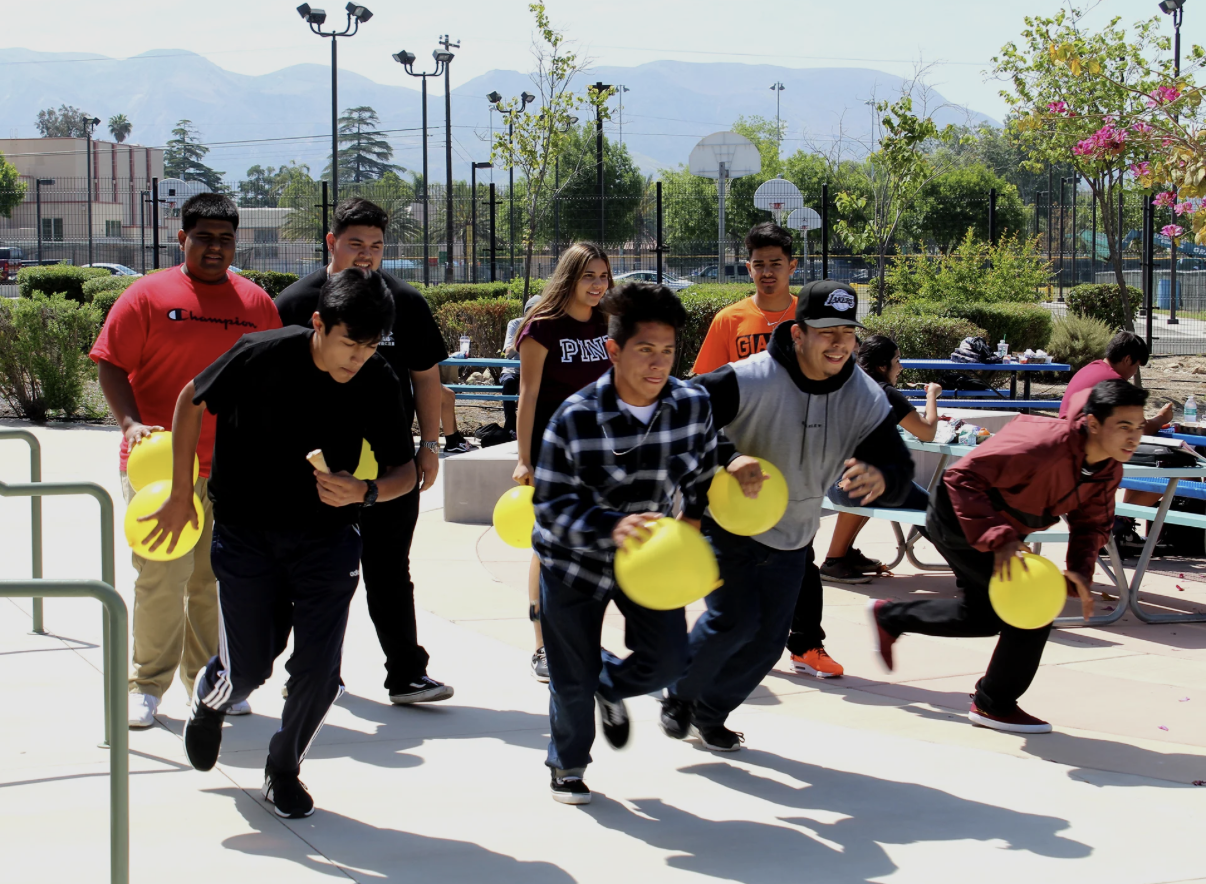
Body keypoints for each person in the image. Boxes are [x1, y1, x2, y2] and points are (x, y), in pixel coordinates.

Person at [154, 268, 416, 818]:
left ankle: (284, 765)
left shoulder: (378, 380)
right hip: (246, 535)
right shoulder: (260, 354)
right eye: (349, 343)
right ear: (319, 323)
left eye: (369, 347)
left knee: (322, 673)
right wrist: (182, 494)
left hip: (327, 540)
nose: (358, 358)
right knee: (249, 669)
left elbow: (405, 472)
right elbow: (189, 400)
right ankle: (212, 697)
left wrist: (364, 491)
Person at [661, 281, 916, 750]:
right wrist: (728, 457)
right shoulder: (751, 378)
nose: (838, 342)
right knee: (733, 621)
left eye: (846, 332)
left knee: (766, 642)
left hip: (795, 534)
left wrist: (885, 476)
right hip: (731, 523)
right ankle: (681, 694)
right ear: (798, 334)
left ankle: (709, 711)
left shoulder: (864, 396)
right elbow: (680, 413)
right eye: (825, 331)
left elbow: (897, 461)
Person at [534, 281, 757, 804]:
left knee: (667, 661)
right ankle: (567, 764)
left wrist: (723, 481)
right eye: (644, 350)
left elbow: (702, 471)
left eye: (667, 351)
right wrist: (608, 525)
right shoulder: (574, 417)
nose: (658, 364)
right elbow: (550, 506)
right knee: (571, 677)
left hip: (652, 562)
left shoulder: (691, 404)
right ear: (613, 351)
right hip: (574, 563)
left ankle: (609, 686)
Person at [90, 192, 280, 729]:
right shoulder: (147, 296)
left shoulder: (256, 304)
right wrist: (128, 424)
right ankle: (145, 685)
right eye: (203, 237)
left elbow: (270, 383)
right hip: (160, 468)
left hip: (231, 470)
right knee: (161, 577)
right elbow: (110, 365)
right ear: (183, 239)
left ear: (236, 242)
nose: (215, 247)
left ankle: (207, 681)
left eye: (225, 238)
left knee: (213, 580)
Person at [870, 378, 1147, 734]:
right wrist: (999, 538)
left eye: (1139, 427)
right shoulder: (1043, 443)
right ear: (1094, 423)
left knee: (983, 616)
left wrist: (1079, 570)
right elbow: (960, 479)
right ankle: (992, 704)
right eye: (1123, 426)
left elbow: (1091, 524)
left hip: (1001, 530)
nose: (1134, 436)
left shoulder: (1108, 468)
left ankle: (891, 616)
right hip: (959, 516)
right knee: (1033, 609)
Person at [276, 198, 453, 705]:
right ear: (331, 243)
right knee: (314, 570)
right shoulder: (293, 303)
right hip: (315, 468)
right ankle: (314, 671)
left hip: (391, 466)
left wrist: (431, 445)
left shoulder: (407, 303)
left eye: (376, 245)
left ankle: (406, 674)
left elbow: (426, 377)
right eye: (356, 243)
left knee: (389, 568)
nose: (367, 255)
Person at [514, 243, 613, 682]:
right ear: (570, 277)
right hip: (552, 457)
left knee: (594, 551)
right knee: (548, 549)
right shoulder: (542, 328)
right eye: (588, 275)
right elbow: (528, 395)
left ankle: (583, 639)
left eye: (603, 276)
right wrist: (523, 459)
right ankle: (542, 645)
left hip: (601, 455)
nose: (597, 285)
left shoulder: (607, 324)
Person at [815, 334, 942, 586]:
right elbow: (927, 432)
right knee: (932, 510)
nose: (901, 366)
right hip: (852, 486)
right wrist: (932, 396)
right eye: (897, 360)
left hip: (828, 480)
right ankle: (971, 563)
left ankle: (842, 555)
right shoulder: (885, 392)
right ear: (882, 366)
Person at [1058, 331, 1173, 552]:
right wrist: (1161, 419)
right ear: (1128, 359)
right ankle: (1117, 524)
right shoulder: (1114, 382)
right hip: (1087, 460)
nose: (1133, 373)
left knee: (1135, 460)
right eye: (1136, 366)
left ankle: (1121, 525)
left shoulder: (1090, 368)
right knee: (1176, 472)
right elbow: (1140, 428)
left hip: (1069, 451)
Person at [691, 222, 798, 376]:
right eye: (759, 265)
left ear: (792, 267)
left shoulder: (809, 316)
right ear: (749, 269)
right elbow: (709, 384)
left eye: (776, 264)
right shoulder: (727, 320)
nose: (767, 272)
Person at [501, 295, 543, 436]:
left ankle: (535, 426)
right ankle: (510, 426)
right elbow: (508, 353)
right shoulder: (515, 324)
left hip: (535, 370)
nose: (534, 317)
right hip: (514, 369)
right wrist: (525, 334)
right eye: (531, 313)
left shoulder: (547, 326)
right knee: (509, 383)